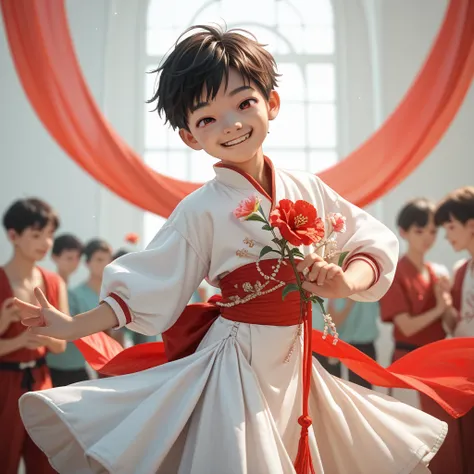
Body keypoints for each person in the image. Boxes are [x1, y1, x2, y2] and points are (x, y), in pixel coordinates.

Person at [11, 26, 473, 474]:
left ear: (271, 104)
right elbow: (147, 285)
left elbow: (369, 241)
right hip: (236, 361)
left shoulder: (307, 188)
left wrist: (345, 280)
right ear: (190, 136)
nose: (230, 125)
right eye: (207, 118)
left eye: (244, 103)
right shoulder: (199, 210)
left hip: (296, 361)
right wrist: (73, 325)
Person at [379, 198, 457, 473]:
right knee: (410, 435)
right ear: (403, 231)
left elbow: (450, 324)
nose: (428, 238)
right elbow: (408, 326)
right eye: (420, 231)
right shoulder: (396, 272)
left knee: (441, 431)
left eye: (433, 231)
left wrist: (445, 304)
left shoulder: (440, 273)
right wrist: (439, 307)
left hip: (438, 363)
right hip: (408, 360)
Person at [0, 198, 66, 474]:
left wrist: (44, 337)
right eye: (37, 235)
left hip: (41, 381)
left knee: (46, 461)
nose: (46, 243)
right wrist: (10, 331)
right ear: (13, 235)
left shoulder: (54, 282)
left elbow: (61, 345)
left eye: (50, 235)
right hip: (4, 384)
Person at [434, 186, 474, 474]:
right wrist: (444, 301)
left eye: (451, 227)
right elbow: (454, 323)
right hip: (464, 369)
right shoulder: (461, 268)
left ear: (471, 224)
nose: (447, 236)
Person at [48, 233, 89, 386]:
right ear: (55, 257)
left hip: (77, 365)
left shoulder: (75, 292)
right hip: (54, 365)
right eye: (69, 258)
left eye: (77, 258)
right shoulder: (47, 288)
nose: (74, 263)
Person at [313, 299, 380, 389]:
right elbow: (331, 321)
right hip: (337, 345)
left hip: (363, 347)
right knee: (334, 390)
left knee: (362, 392)